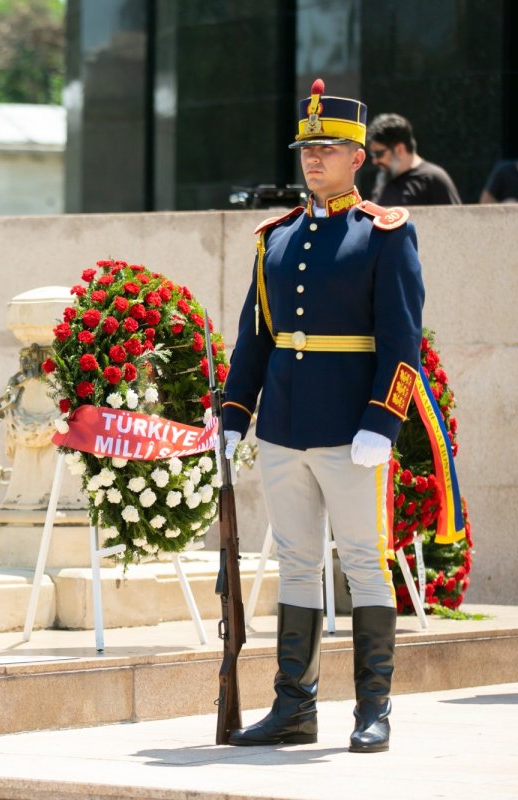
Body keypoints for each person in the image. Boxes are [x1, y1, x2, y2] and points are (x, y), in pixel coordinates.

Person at [220, 79, 424, 753]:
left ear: (358, 157)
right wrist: (232, 414)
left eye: (328, 148)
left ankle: (374, 709)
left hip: (350, 428)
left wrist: (381, 421)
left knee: (365, 561)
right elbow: (257, 336)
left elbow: (402, 343)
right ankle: (294, 707)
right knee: (299, 563)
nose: (313, 159)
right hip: (282, 425)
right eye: (307, 148)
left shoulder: (384, 235)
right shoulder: (275, 239)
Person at [367, 112, 461, 205]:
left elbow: (455, 218)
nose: (375, 161)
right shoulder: (383, 178)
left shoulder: (433, 179)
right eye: (372, 154)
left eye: (379, 153)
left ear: (399, 149)